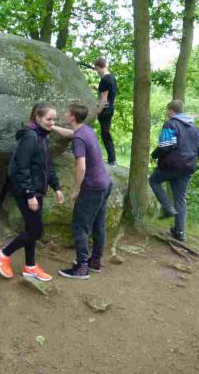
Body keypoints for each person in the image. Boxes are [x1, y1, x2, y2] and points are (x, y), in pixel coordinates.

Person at [0, 102, 64, 282]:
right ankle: (3, 254)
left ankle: (30, 267)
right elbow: (22, 168)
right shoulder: (30, 137)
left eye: (54, 119)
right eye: (49, 119)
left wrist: (57, 187)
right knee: (36, 231)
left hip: (37, 190)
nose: (52, 122)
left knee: (32, 229)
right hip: (26, 191)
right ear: (38, 118)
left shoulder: (42, 137)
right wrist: (30, 194)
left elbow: (47, 166)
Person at [51, 100, 113, 279]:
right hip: (105, 183)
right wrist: (53, 128)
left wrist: (76, 188)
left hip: (92, 187)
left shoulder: (79, 138)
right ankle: (95, 261)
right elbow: (71, 133)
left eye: (67, 112)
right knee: (98, 224)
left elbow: (81, 166)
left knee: (80, 226)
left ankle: (82, 267)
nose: (64, 113)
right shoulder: (86, 131)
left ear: (72, 116)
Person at [149, 99, 199, 242]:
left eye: (167, 110)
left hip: (171, 165)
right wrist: (190, 158)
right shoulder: (195, 127)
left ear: (170, 111)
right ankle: (179, 233)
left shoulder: (170, 124)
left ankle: (167, 208)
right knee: (180, 198)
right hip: (188, 167)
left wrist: (154, 155)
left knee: (154, 180)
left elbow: (165, 146)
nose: (166, 113)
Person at [94, 58, 118, 166]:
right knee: (105, 134)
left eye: (96, 69)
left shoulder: (105, 79)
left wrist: (97, 112)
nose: (97, 72)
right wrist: (97, 89)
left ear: (98, 67)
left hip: (104, 111)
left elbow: (104, 99)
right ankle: (112, 159)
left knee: (105, 135)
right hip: (110, 109)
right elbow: (110, 94)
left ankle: (112, 160)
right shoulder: (112, 78)